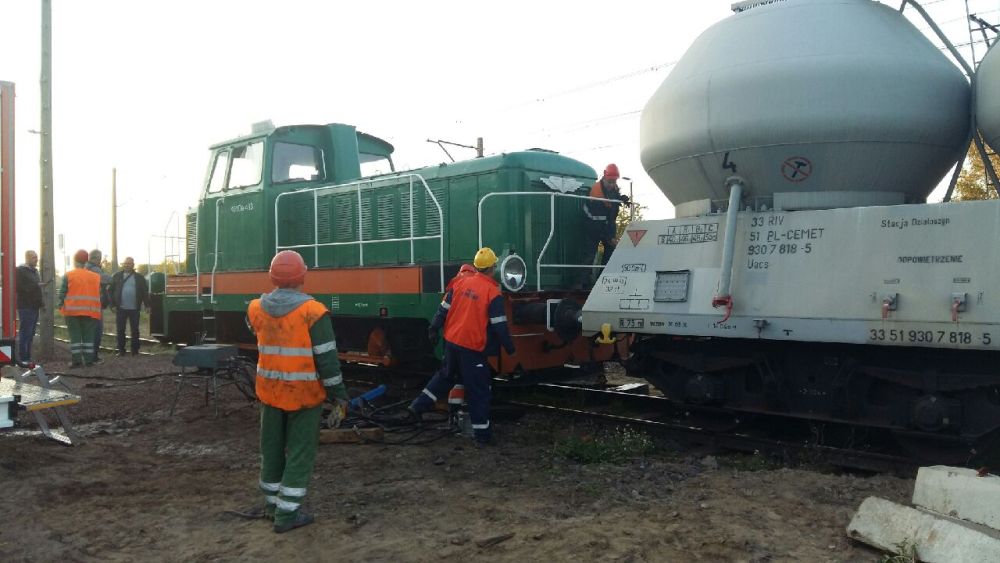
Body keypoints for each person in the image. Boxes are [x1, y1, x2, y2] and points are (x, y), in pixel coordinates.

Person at [247, 250, 349, 533]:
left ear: (272, 276)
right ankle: (287, 515)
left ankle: (271, 507)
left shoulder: (255, 308)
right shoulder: (313, 312)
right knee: (300, 454)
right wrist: (339, 394)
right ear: (303, 276)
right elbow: (327, 361)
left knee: (271, 450)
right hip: (303, 396)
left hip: (269, 393)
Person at [409, 248, 515, 446]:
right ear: (493, 268)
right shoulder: (492, 291)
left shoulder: (460, 282)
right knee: (479, 390)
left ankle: (417, 406)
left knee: (444, 377)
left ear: (476, 266)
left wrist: (433, 328)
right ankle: (482, 436)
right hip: (471, 348)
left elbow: (443, 309)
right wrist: (509, 347)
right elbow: (499, 324)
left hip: (452, 342)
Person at [578, 163, 630, 288]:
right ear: (604, 178)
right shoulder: (597, 193)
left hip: (607, 223)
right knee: (590, 253)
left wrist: (621, 198)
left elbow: (611, 211)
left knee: (610, 251)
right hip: (592, 224)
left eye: (614, 181)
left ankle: (603, 280)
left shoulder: (614, 189)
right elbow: (600, 219)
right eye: (610, 181)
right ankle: (582, 283)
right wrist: (609, 237)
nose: (612, 184)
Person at [59, 249, 102, 367]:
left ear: (74, 261)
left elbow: (62, 293)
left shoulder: (69, 275)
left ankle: (77, 361)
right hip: (90, 311)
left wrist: (60, 306)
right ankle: (89, 361)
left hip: (72, 311)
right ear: (86, 261)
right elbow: (99, 293)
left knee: (75, 337)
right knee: (89, 337)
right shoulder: (95, 276)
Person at [110, 257, 149, 357]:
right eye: (125, 263)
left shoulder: (139, 278)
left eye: (129, 263)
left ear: (133, 265)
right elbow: (111, 291)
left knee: (135, 330)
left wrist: (148, 305)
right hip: (120, 308)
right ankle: (121, 350)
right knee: (120, 330)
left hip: (134, 308)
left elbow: (145, 292)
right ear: (123, 264)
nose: (127, 265)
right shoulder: (117, 276)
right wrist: (112, 305)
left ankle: (135, 351)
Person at [15, 250, 44, 363]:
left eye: (36, 257)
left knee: (31, 333)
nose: (36, 259)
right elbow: (21, 287)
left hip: (34, 306)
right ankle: (23, 358)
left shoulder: (34, 272)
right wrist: (36, 285)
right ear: (27, 258)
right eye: (33, 257)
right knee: (25, 332)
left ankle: (27, 356)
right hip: (26, 305)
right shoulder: (21, 271)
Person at [85, 249, 112, 364]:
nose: (100, 260)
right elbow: (107, 279)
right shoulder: (94, 269)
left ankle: (87, 356)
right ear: (96, 258)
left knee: (87, 332)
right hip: (94, 305)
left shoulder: (83, 268)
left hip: (85, 305)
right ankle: (93, 357)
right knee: (96, 331)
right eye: (99, 258)